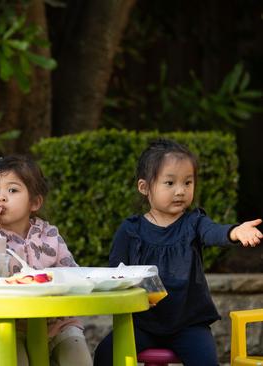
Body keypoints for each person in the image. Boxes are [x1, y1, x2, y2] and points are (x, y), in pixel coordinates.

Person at [93, 138, 262, 366]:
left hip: (189, 324)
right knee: (105, 354)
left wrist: (235, 232)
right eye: (170, 183)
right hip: (142, 322)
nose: (180, 191)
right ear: (144, 187)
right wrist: (132, 290)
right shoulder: (130, 230)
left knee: (206, 362)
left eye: (188, 183)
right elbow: (116, 271)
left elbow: (213, 232)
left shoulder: (194, 223)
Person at [0, 155, 93, 366]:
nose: (1, 197)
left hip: (58, 323)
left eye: (13, 190)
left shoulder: (49, 235)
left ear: (34, 202)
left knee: (78, 359)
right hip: (10, 325)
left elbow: (72, 273)